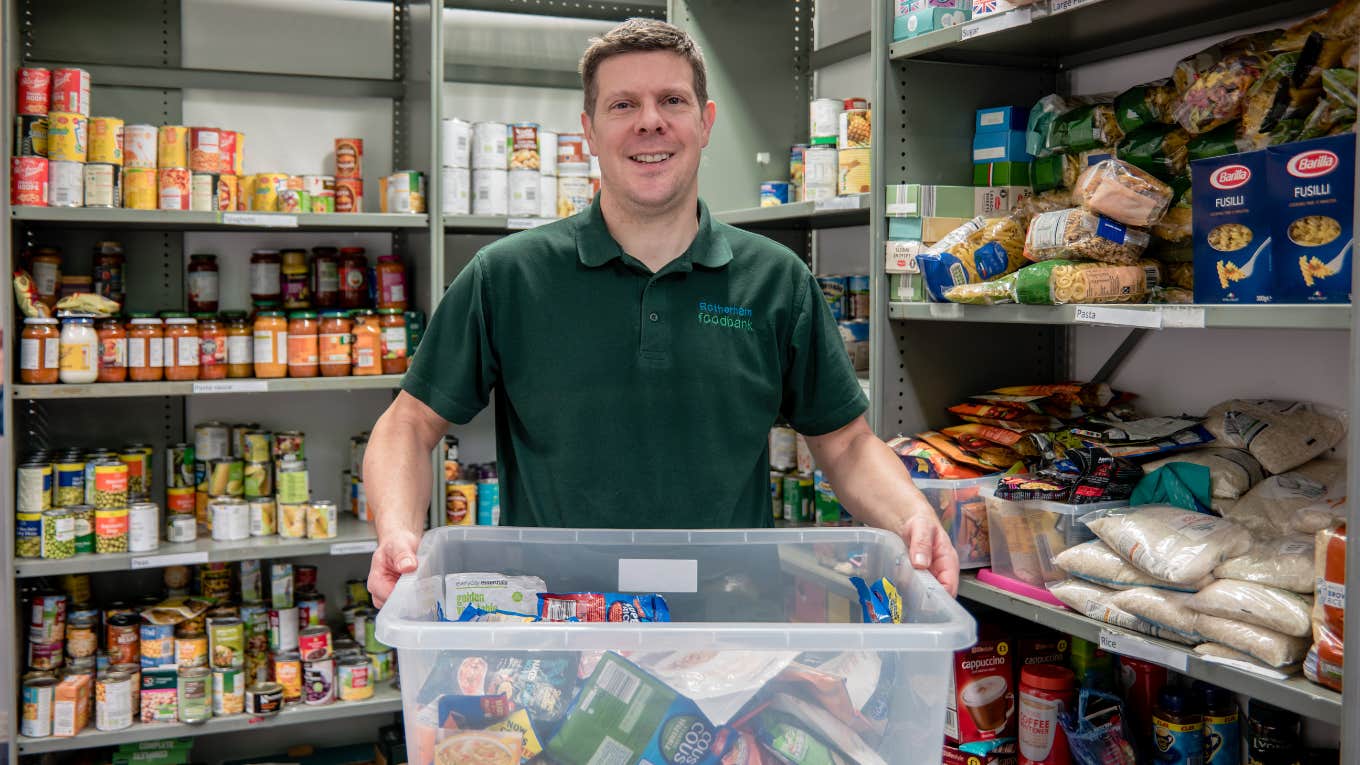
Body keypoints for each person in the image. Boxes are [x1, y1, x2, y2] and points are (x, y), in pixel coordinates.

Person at [365, 18, 958, 607]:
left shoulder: (776, 279)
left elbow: (847, 444)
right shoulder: (508, 275)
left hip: (731, 625)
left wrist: (912, 516)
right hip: (563, 628)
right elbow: (408, 426)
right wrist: (397, 533)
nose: (650, 120)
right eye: (623, 104)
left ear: (705, 122)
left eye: (672, 99)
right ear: (589, 133)